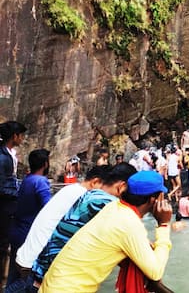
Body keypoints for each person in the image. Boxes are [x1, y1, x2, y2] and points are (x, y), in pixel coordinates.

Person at [39, 170, 173, 293]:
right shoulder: (129, 222)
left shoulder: (114, 207)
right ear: (154, 199)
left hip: (52, 284)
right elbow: (155, 272)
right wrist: (163, 225)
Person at [32, 163, 137, 287]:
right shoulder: (107, 203)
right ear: (122, 186)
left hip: (41, 267)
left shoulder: (89, 194)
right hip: (54, 277)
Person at [6, 166, 108, 292]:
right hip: (35, 264)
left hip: (26, 255)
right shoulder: (84, 198)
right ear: (95, 182)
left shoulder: (71, 189)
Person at [7, 149, 51, 288]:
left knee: (13, 272)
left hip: (17, 230)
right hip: (28, 234)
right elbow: (49, 208)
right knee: (27, 278)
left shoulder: (27, 179)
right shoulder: (41, 182)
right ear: (45, 164)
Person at [0, 121, 27, 288]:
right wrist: (19, 194)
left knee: (5, 244)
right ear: (14, 136)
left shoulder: (10, 154)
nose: (22, 138)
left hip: (9, 205)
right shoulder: (3, 157)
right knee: (2, 244)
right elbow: (2, 186)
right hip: (4, 206)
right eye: (21, 135)